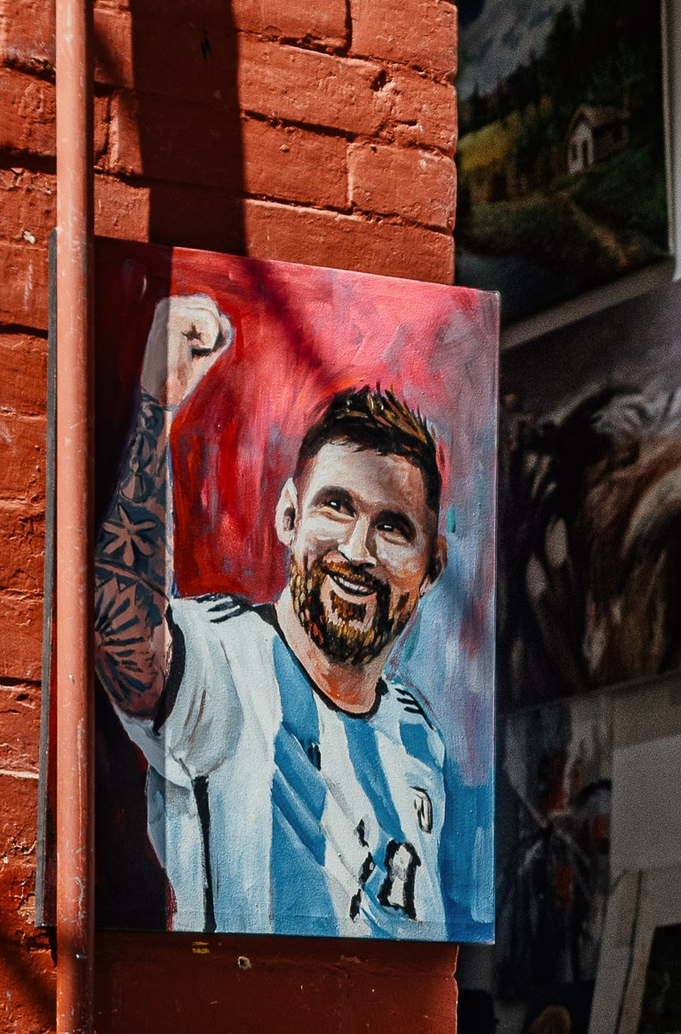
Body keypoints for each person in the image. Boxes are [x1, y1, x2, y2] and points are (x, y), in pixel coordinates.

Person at [95, 292, 455, 937]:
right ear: (289, 517)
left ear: (430, 567)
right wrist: (156, 406)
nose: (357, 550)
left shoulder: (418, 734)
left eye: (393, 527)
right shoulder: (223, 659)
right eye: (336, 506)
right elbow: (129, 643)